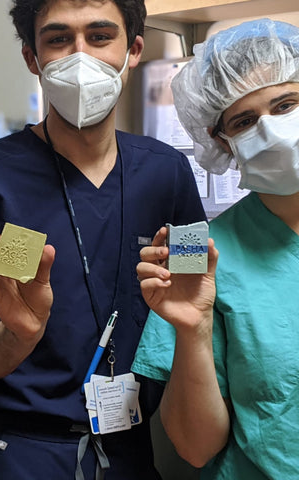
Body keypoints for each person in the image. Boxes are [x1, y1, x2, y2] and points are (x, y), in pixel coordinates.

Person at [0, 0, 206, 478]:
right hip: (16, 452)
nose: (81, 57)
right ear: (32, 59)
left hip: (130, 448)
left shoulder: (169, 174)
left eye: (100, 37)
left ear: (133, 49)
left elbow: (193, 302)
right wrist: (18, 333)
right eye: (58, 40)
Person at [132, 18, 299, 480]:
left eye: (287, 104)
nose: (270, 130)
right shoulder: (195, 245)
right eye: (244, 121)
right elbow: (194, 448)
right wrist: (192, 330)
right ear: (219, 141)